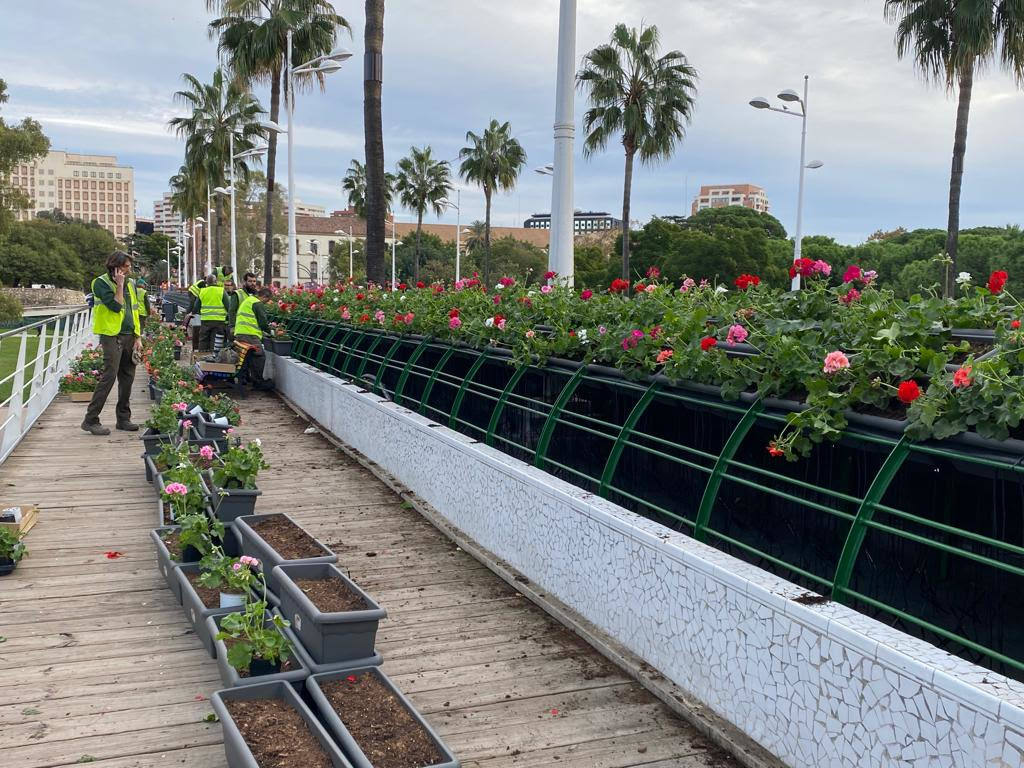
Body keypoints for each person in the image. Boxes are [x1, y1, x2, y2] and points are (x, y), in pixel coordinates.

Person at [82, 252, 142, 436]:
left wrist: (138, 336)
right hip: (111, 335)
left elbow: (134, 311)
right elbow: (116, 306)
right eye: (126, 266)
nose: (129, 270)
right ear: (115, 267)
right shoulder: (100, 283)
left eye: (129, 266)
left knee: (128, 378)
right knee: (109, 376)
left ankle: (123, 419)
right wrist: (119, 285)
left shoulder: (131, 284)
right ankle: (91, 420)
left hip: (129, 336)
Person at [233, 287, 275, 391]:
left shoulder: (248, 300)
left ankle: (251, 379)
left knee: (250, 357)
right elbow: (262, 322)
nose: (266, 303)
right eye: (267, 300)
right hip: (249, 334)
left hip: (241, 332)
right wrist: (272, 332)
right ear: (264, 296)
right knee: (259, 355)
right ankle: (258, 382)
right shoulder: (257, 303)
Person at [193, 274, 230, 352]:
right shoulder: (221, 291)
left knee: (203, 340)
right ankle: (215, 359)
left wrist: (201, 312)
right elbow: (228, 306)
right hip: (219, 321)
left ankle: (202, 358)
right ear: (216, 282)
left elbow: (196, 307)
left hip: (205, 321)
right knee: (216, 342)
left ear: (207, 282)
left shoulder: (202, 291)